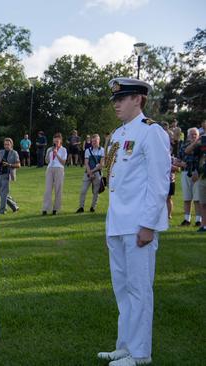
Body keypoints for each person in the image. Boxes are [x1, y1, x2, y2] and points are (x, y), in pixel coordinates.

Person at [97, 78, 170, 366]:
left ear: (138, 99)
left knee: (139, 289)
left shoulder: (151, 132)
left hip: (138, 223)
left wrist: (149, 224)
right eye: (115, 99)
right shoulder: (117, 134)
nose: (116, 103)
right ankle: (125, 345)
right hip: (117, 221)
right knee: (123, 288)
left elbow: (159, 180)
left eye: (122, 98)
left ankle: (140, 353)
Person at [177, 127, 202, 226]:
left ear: (198, 136)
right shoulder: (183, 145)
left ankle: (198, 220)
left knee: (197, 199)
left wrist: (198, 172)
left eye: (195, 134)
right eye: (192, 134)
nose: (194, 136)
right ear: (188, 136)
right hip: (185, 173)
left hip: (197, 173)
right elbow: (178, 159)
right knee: (187, 198)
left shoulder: (201, 146)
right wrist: (180, 164)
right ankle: (187, 220)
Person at [185, 119, 206, 232]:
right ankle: (203, 225)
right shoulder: (201, 141)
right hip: (202, 175)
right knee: (203, 202)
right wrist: (196, 141)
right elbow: (187, 151)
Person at [76, 134, 104, 213]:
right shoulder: (88, 150)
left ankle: (93, 207)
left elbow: (101, 164)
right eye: (93, 141)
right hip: (87, 173)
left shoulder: (102, 150)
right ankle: (81, 207)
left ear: (99, 141)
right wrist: (89, 173)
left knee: (96, 192)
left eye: (96, 141)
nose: (94, 142)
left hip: (97, 173)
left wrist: (92, 172)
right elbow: (86, 163)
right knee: (83, 191)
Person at [42, 132, 67, 215]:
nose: (55, 143)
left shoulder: (63, 150)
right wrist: (49, 154)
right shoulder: (50, 149)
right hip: (50, 169)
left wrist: (57, 155)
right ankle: (45, 208)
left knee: (58, 189)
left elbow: (63, 162)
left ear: (60, 141)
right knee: (48, 189)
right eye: (54, 141)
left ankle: (55, 209)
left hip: (59, 169)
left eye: (57, 141)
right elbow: (47, 160)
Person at [0, 138, 21, 214]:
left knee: (3, 194)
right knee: (2, 193)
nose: (6, 146)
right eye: (5, 144)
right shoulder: (0, 152)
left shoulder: (14, 153)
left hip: (7, 175)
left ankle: (2, 211)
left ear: (11, 145)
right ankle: (14, 206)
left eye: (8, 144)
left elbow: (19, 165)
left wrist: (9, 165)